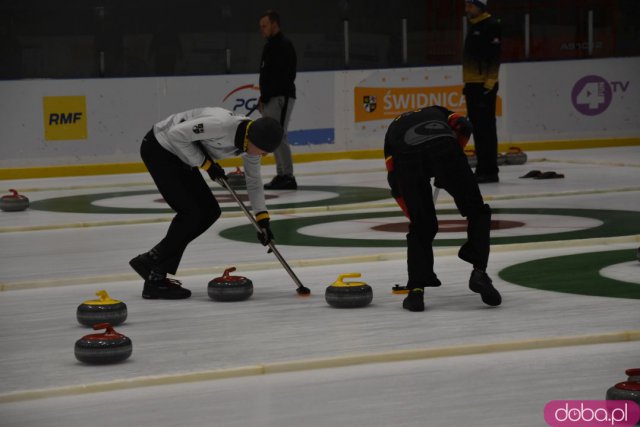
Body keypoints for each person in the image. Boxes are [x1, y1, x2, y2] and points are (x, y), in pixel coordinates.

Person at [129, 107, 283, 299]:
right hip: (160, 147)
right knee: (191, 213)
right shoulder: (220, 125)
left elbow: (254, 181)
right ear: (254, 140)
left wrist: (263, 219)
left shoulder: (251, 143)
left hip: (184, 155)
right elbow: (176, 134)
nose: (263, 156)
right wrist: (207, 165)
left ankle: (152, 265)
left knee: (209, 211)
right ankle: (154, 270)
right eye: (264, 151)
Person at [384, 105, 502, 312]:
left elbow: (395, 181)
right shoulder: (438, 111)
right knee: (477, 211)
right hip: (445, 149)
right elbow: (464, 125)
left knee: (421, 225)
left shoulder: (391, 132)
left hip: (407, 159)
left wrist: (413, 214)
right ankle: (479, 272)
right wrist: (452, 159)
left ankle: (416, 292)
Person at [258, 10, 298, 190]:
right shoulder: (269, 46)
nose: (262, 30)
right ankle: (282, 174)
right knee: (275, 137)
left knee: (279, 135)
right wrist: (263, 98)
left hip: (281, 97)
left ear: (275, 24)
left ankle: (287, 176)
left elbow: (285, 75)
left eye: (265, 26)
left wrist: (272, 96)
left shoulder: (284, 45)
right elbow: (267, 75)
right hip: (270, 98)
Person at [463, 0, 502, 183]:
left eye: (471, 5)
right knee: (478, 129)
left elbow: (495, 56)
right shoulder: (474, 26)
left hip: (483, 86)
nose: (467, 8)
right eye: (466, 5)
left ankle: (489, 170)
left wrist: (489, 83)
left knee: (485, 128)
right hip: (473, 84)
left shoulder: (490, 25)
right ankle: (482, 168)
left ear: (481, 6)